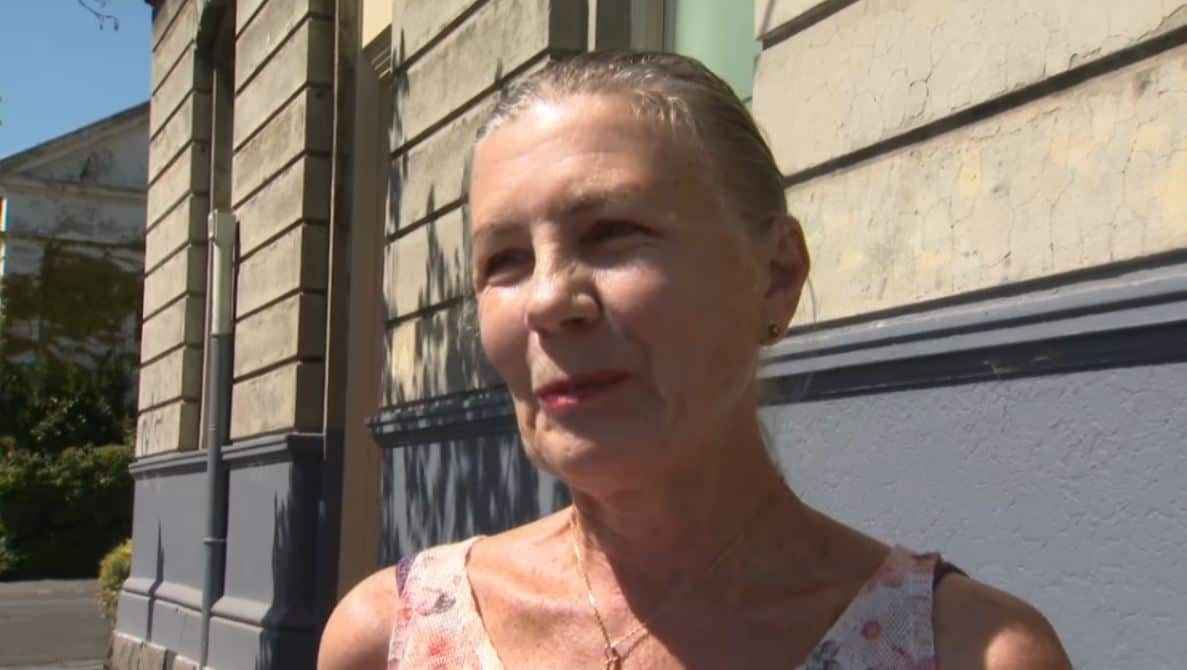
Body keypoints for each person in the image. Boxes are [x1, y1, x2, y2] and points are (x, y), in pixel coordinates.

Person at [319, 51, 1072, 670]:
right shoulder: (388, 638)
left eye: (612, 231)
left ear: (774, 274)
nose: (549, 299)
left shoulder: (971, 653)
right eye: (504, 261)